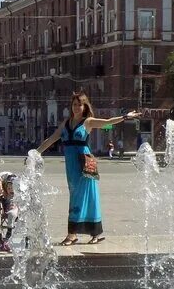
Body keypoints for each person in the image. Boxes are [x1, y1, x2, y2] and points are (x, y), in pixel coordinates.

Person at [36, 92, 140, 245]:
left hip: (84, 162)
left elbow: (107, 122)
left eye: (80, 104)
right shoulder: (66, 123)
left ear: (85, 106)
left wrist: (125, 116)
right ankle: (87, 233)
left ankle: (76, 234)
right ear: (71, 106)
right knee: (75, 194)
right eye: (74, 104)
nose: (77, 107)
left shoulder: (88, 122)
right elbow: (51, 139)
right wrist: (36, 152)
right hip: (71, 164)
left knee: (86, 196)